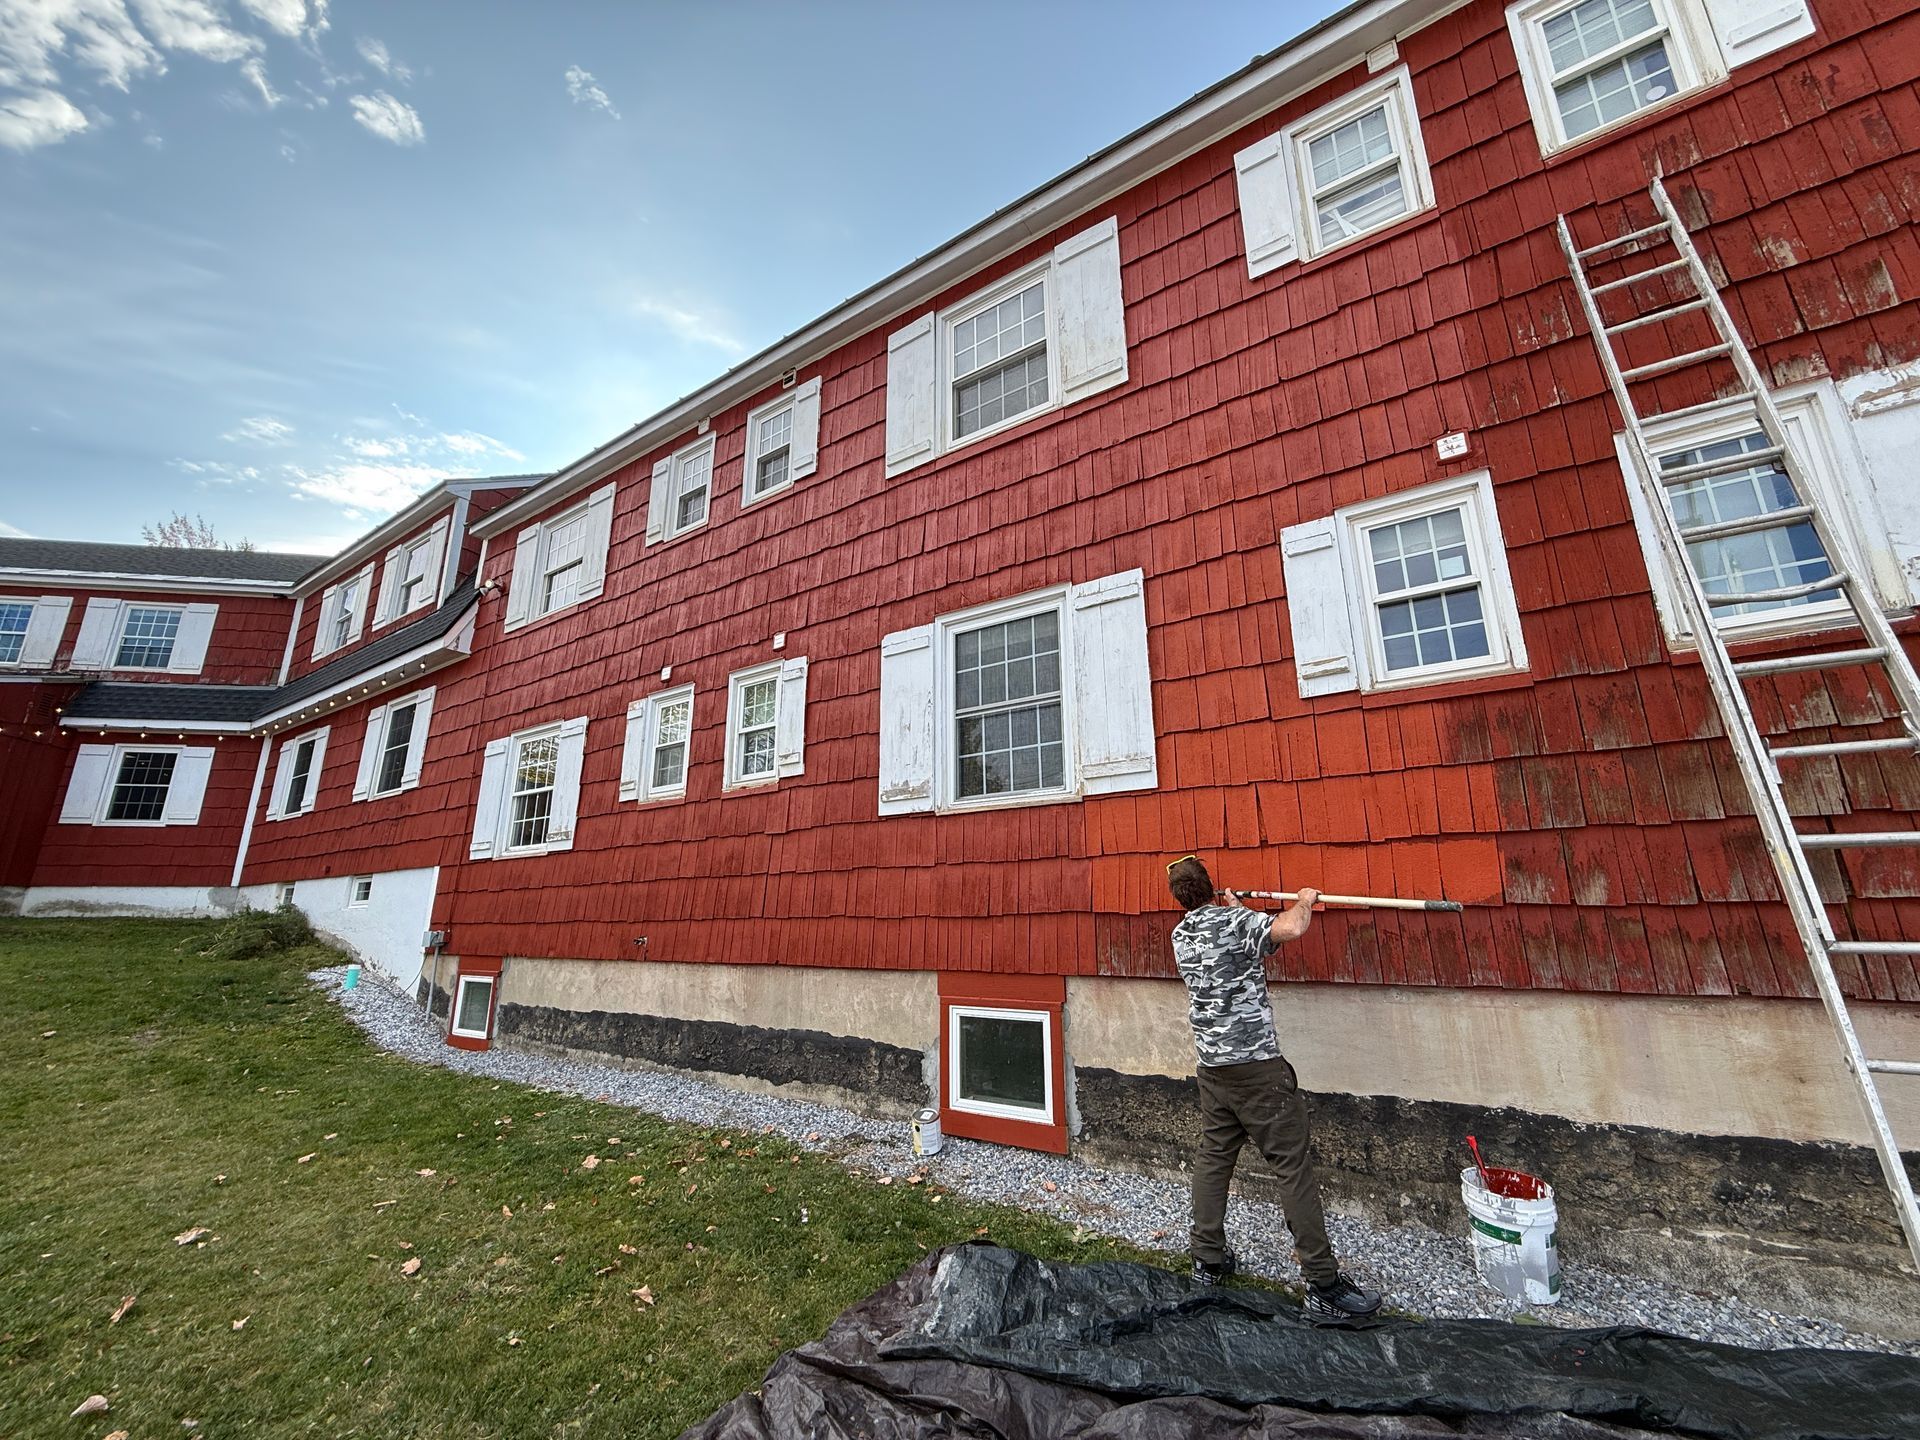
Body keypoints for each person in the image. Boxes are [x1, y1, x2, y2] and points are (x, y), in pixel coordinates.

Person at [1165, 854, 1383, 1324]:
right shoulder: (1237, 922)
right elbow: (1289, 929)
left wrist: (1239, 913)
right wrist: (1304, 901)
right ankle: (1323, 1284)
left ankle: (1207, 1260)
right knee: (1291, 1166)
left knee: (1214, 1158)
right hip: (1258, 1070)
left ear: (1179, 898)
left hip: (1213, 1069)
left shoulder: (1181, 935)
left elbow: (1245, 949)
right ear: (1210, 885)